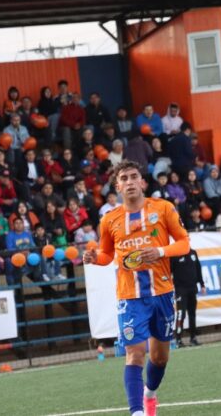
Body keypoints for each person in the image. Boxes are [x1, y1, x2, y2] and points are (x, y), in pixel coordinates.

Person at [83, 160, 190, 416]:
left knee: (160, 357)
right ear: (117, 187)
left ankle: (149, 394)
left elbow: (184, 243)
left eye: (133, 177)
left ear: (142, 182)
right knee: (135, 354)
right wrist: (94, 258)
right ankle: (137, 412)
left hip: (162, 293)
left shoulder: (163, 208)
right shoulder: (109, 220)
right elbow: (106, 255)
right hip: (130, 297)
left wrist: (160, 251)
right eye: (124, 179)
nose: (130, 182)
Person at [170, 248, 205, 347]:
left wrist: (202, 284)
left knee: (192, 314)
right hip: (181, 290)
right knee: (181, 314)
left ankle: (193, 338)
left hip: (192, 288)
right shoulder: (174, 254)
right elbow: (169, 271)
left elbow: (198, 268)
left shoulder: (193, 252)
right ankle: (178, 340)